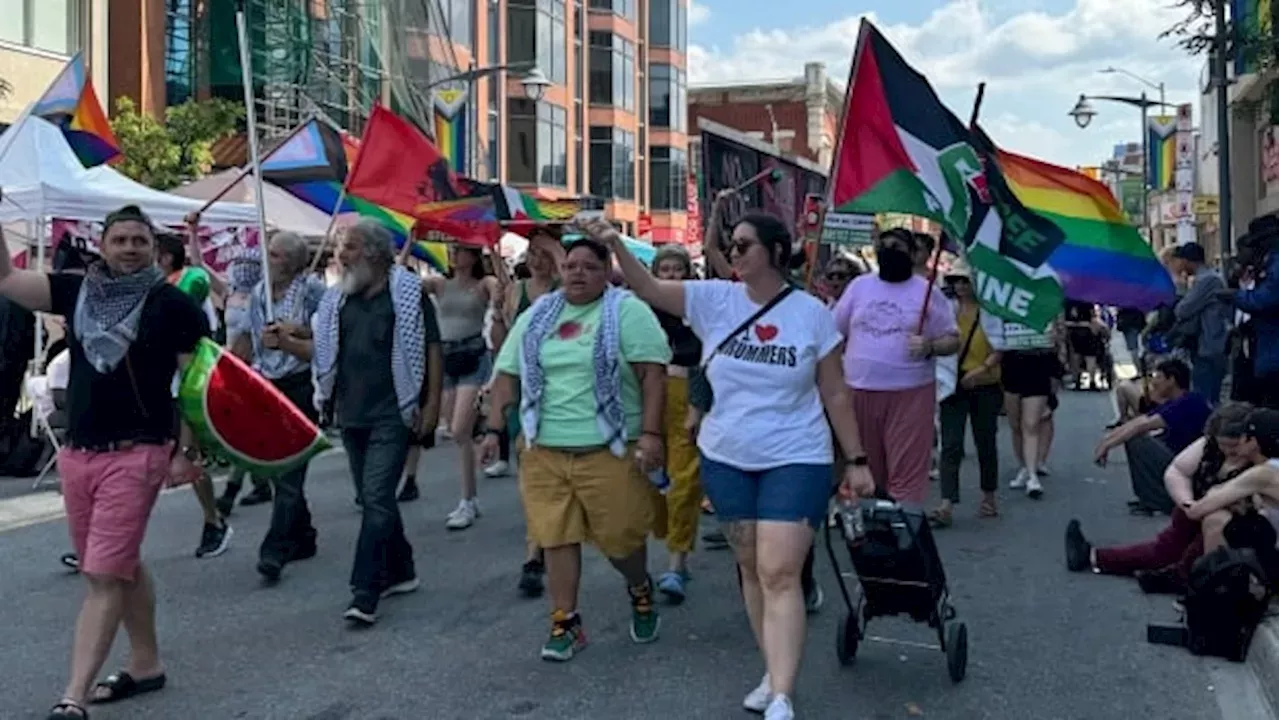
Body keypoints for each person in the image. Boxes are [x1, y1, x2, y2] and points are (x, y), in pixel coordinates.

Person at [601, 211, 873, 720]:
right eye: (732, 244)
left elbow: (834, 390)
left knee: (780, 570)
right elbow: (648, 286)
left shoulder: (812, 313)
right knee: (751, 568)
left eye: (745, 244)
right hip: (727, 456)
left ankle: (785, 694)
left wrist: (856, 459)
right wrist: (617, 244)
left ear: (774, 251)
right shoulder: (712, 299)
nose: (735, 251)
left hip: (797, 456)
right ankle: (772, 671)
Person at [0, 205, 210, 720]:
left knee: (102, 574)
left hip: (139, 451)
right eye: (121, 239)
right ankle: (146, 664)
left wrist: (187, 451)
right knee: (120, 564)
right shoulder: (76, 291)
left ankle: (72, 696)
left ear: (153, 247)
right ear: (104, 243)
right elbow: (5, 278)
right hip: (79, 453)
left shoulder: (174, 305)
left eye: (139, 240)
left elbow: (195, 386)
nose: (130, 248)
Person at [480, 235, 672, 663]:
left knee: (621, 540)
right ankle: (565, 621)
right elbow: (507, 373)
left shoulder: (627, 312)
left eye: (590, 266)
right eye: (571, 266)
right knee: (555, 536)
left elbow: (652, 376)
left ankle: (639, 587)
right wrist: (493, 430)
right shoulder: (539, 316)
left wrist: (652, 436)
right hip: (545, 449)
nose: (578, 273)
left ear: (606, 273)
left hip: (609, 448)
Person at [312, 220, 443, 626]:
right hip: (350, 414)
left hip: (394, 413)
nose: (340, 256)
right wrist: (285, 341)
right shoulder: (337, 301)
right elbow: (324, 353)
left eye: (348, 248)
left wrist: (433, 406)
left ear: (371, 252)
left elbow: (432, 351)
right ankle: (401, 570)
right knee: (376, 499)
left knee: (375, 497)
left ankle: (365, 590)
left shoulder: (407, 296)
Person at [1066, 402, 1259, 593]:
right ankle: (1094, 556)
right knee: (1164, 550)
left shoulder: (1261, 461)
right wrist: (1187, 502)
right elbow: (1177, 471)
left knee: (1212, 528)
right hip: (1195, 508)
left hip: (1232, 520)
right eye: (1222, 445)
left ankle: (1180, 576)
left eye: (1232, 446)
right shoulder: (1209, 446)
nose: (1227, 451)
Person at [833, 228, 959, 505]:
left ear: (913, 254)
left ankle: (903, 534)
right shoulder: (859, 287)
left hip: (910, 394)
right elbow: (834, 334)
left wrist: (930, 346)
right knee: (867, 473)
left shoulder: (928, 292)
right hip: (859, 392)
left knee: (906, 473)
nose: (890, 249)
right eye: (884, 245)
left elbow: (952, 339)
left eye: (898, 246)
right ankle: (872, 537)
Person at [233, 231, 327, 583]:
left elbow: (328, 335)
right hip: (267, 384)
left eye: (273, 255)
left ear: (291, 261)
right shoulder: (259, 292)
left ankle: (275, 548)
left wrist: (293, 334)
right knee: (277, 468)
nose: (266, 260)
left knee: (290, 470)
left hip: (301, 385)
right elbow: (245, 334)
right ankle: (303, 535)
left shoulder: (313, 290)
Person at [155, 230, 232, 558]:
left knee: (191, 454)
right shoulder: (154, 289)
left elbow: (197, 275)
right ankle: (98, 540)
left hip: (188, 382)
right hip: (157, 385)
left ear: (165, 258)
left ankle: (214, 521)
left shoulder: (189, 281)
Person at [501, 231, 564, 597]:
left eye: (545, 253)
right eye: (533, 253)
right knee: (528, 469)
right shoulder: (516, 290)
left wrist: (558, 253)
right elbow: (507, 339)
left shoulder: (566, 288)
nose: (538, 260)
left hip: (555, 386)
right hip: (522, 387)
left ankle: (540, 548)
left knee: (544, 470)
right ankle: (537, 546)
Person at [423, 245, 504, 529]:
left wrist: (494, 251)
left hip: (472, 355)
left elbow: (501, 287)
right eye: (452, 250)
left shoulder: (483, 283)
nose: (454, 254)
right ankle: (469, 499)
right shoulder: (439, 283)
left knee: (459, 430)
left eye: (460, 250)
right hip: (445, 357)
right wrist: (411, 240)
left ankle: (467, 501)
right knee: (458, 435)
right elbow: (400, 279)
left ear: (473, 256)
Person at [646, 244, 705, 604]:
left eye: (676, 269)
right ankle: (671, 541)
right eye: (664, 270)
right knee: (652, 480)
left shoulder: (699, 307)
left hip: (687, 392)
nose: (670, 276)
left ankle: (676, 562)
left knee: (684, 482)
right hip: (652, 394)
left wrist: (699, 404)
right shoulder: (642, 309)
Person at [932, 259, 1005, 525]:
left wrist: (981, 371)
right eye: (956, 281)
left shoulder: (990, 312)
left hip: (984, 384)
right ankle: (946, 502)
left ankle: (989, 496)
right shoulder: (946, 310)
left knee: (985, 441)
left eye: (966, 281)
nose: (961, 286)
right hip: (953, 384)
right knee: (950, 444)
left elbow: (999, 348)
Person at [1093, 358, 1212, 515]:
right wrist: (1106, 441)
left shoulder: (1189, 402)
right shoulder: (1175, 402)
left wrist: (1107, 445)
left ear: (1171, 380)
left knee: (1137, 439)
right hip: (1179, 456)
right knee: (1137, 435)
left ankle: (1157, 500)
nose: (1154, 382)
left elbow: (1142, 426)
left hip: (1188, 463)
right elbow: (1138, 421)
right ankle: (1150, 497)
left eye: (1159, 377)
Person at [1168, 242, 1232, 406]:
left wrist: (1179, 284)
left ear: (1189, 260)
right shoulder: (1207, 279)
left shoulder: (1207, 280)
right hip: (1209, 344)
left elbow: (1182, 310)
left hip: (1210, 345)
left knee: (1205, 396)